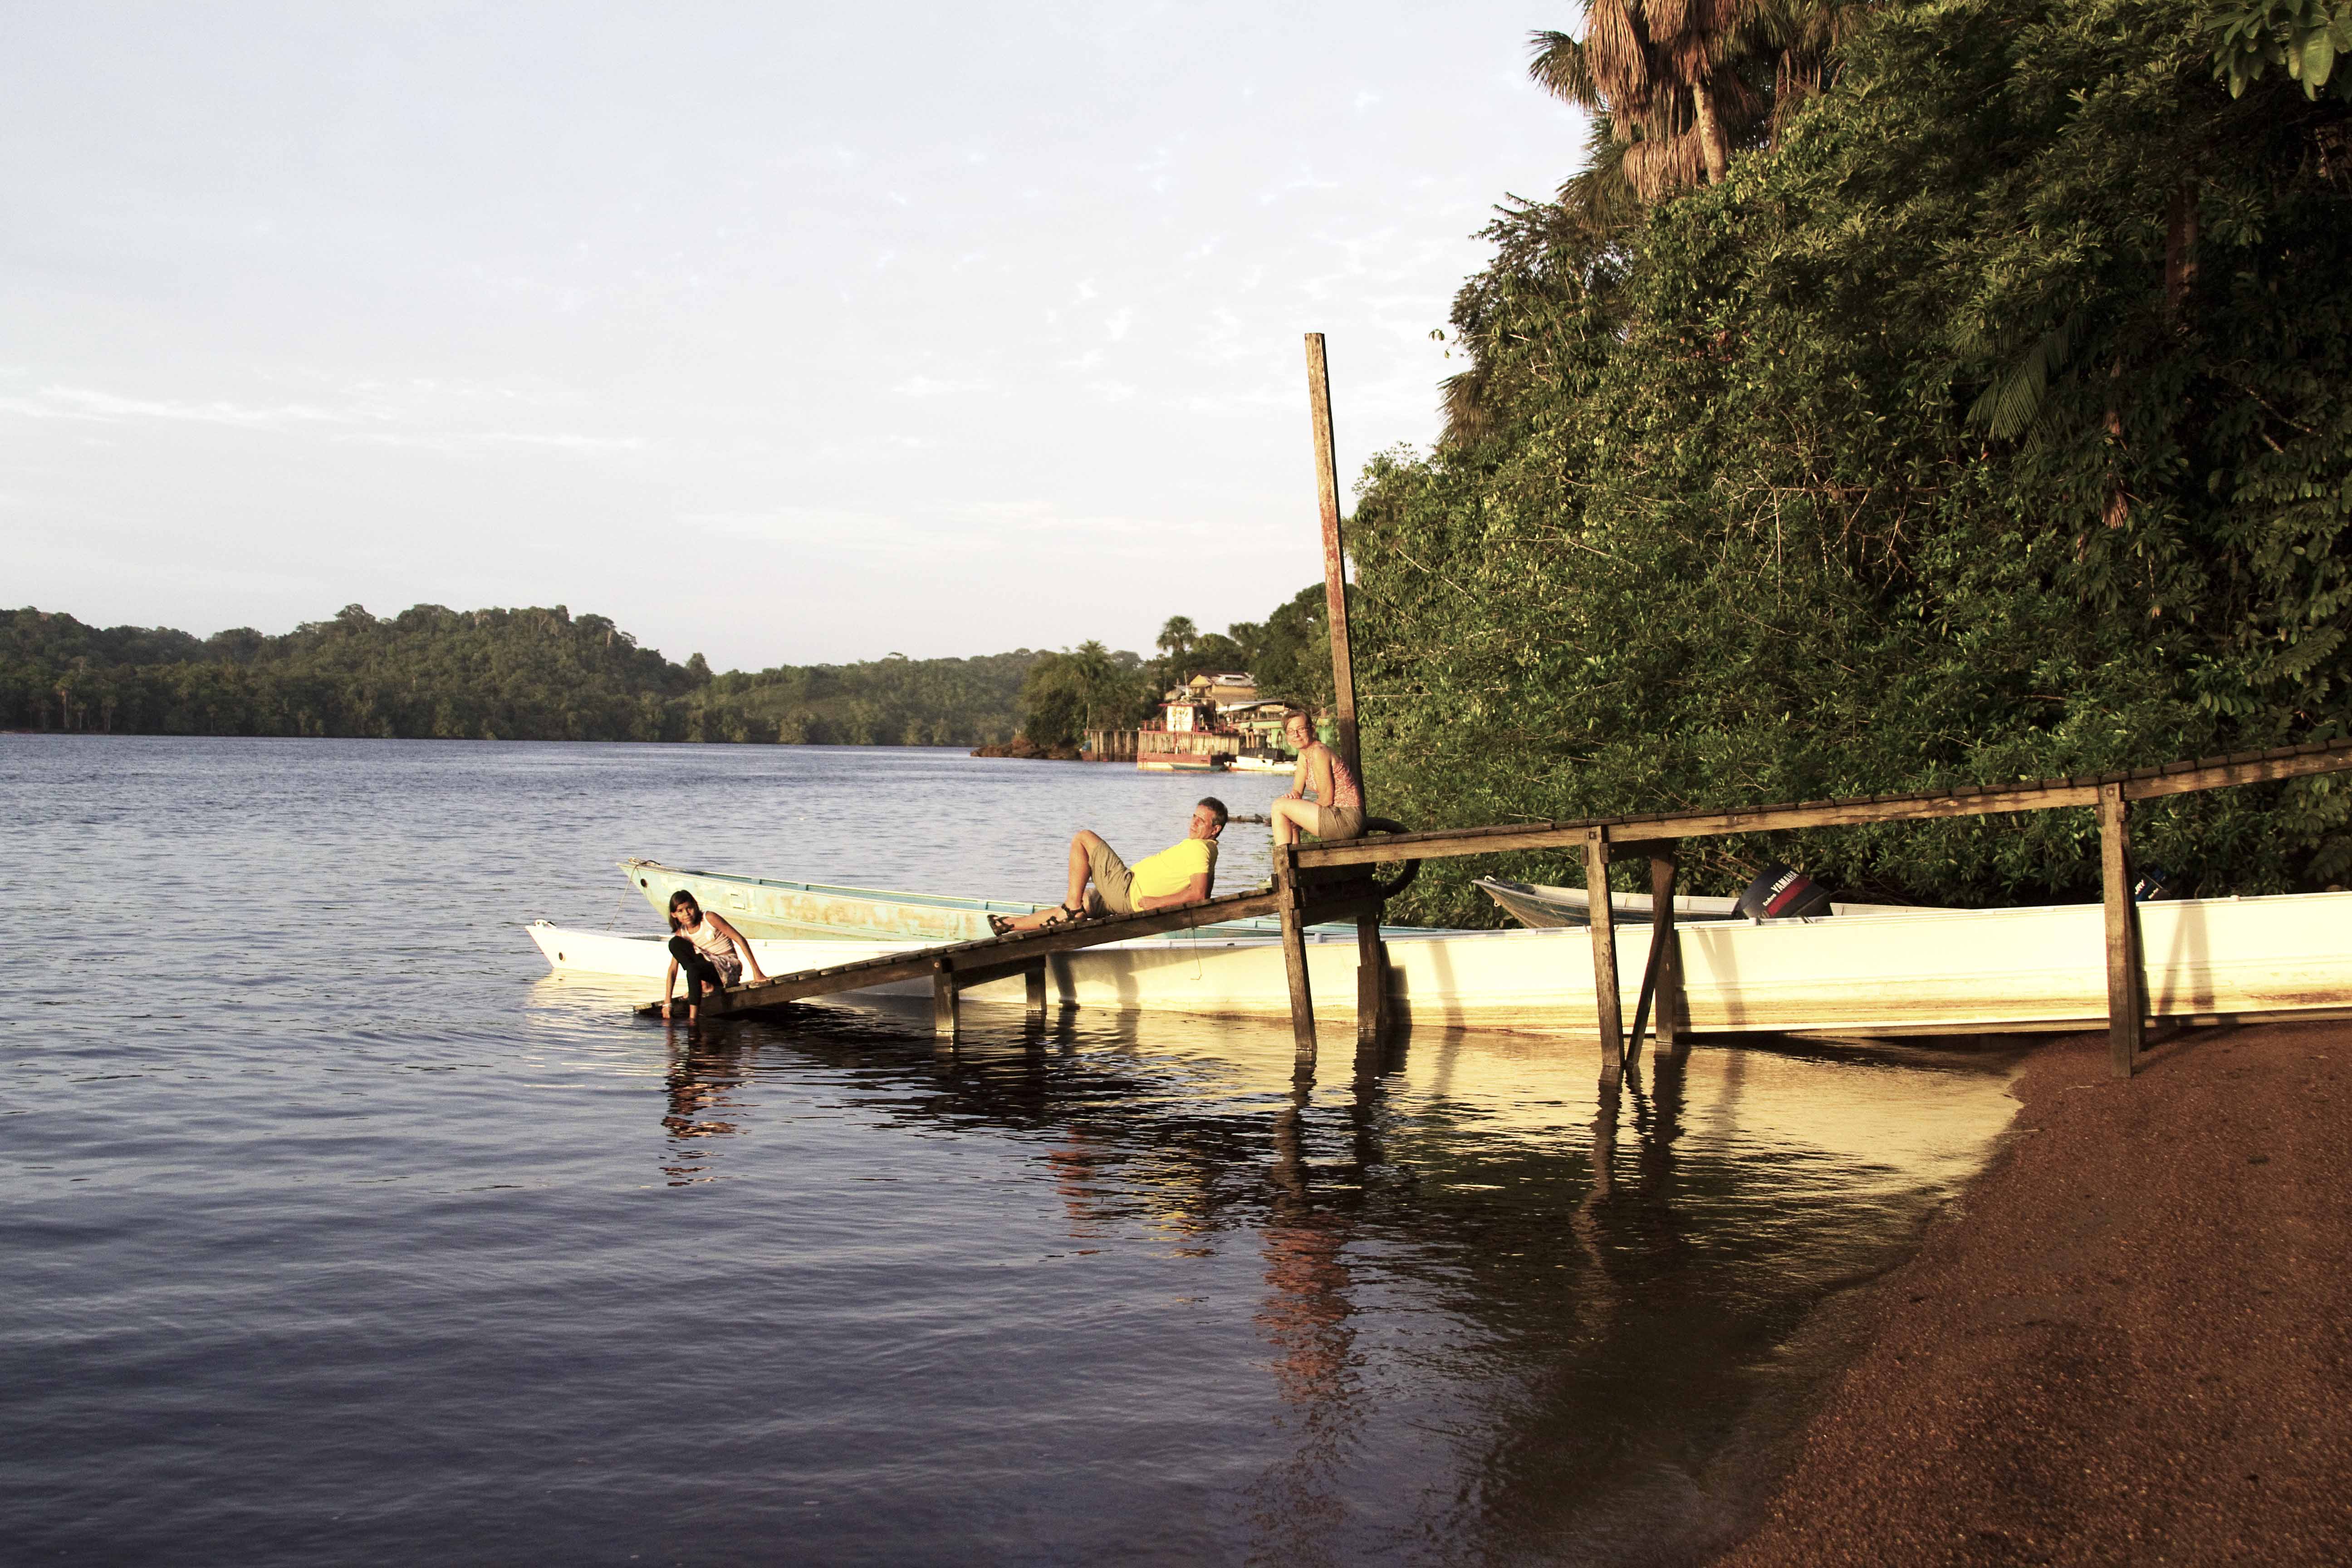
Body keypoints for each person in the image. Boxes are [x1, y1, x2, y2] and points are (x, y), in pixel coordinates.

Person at [991, 798, 1229, 933]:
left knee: (1083, 838)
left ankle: (1072, 907)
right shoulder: (1208, 851)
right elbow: (1205, 890)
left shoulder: (1199, 849)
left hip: (1127, 891)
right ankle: (1011, 925)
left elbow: (1198, 895)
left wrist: (1156, 902)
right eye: (1194, 817)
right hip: (1126, 896)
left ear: (1215, 829)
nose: (1194, 823)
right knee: (1083, 902)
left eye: (1202, 820)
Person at [661, 890, 768, 1019]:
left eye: (689, 908)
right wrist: (667, 1004)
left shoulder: (709, 918)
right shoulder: (682, 934)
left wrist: (757, 972)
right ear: (674, 915)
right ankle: (705, 985)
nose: (687, 914)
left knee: (693, 970)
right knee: (675, 944)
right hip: (707, 969)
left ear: (696, 905)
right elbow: (673, 969)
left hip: (729, 967)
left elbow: (739, 939)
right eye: (681, 911)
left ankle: (693, 1020)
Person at [1269, 710, 1364, 848]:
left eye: (1301, 729)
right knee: (1287, 807)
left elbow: (1327, 799)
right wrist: (1293, 798)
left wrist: (1299, 817)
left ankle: (1283, 861)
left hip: (1346, 819)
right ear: (1287, 736)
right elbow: (1297, 791)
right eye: (1291, 731)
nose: (1296, 735)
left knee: (1278, 806)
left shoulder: (1319, 753)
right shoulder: (1304, 755)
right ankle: (1293, 863)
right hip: (1335, 814)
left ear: (1312, 730)